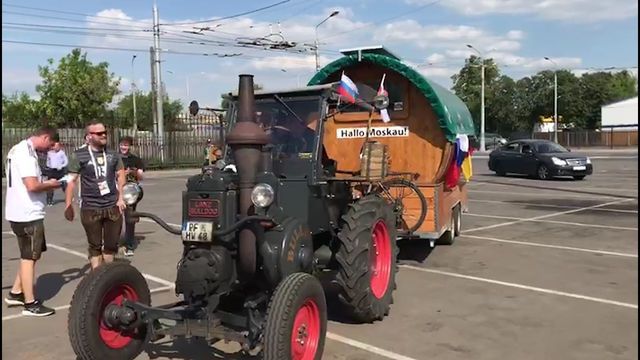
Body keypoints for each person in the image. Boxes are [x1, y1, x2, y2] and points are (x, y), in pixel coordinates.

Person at [4, 126, 63, 317]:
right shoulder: (26, 153)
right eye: (50, 144)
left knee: (32, 254)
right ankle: (30, 303)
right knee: (28, 257)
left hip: (23, 211)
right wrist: (52, 185)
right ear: (45, 137)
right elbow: (32, 185)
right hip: (26, 213)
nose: (49, 148)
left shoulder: (19, 149)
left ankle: (15, 292)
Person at [64, 122, 126, 270]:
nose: (103, 135)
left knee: (111, 244)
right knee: (95, 245)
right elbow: (71, 181)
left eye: (105, 132)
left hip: (112, 205)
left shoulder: (113, 155)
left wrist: (121, 197)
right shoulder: (79, 155)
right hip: (90, 207)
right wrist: (68, 205)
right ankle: (95, 277)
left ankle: (106, 274)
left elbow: (121, 174)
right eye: (99, 133)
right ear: (89, 136)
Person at [117, 136, 145, 256]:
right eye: (122, 144)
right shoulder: (114, 158)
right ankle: (114, 243)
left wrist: (133, 172)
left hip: (130, 193)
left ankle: (129, 244)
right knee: (114, 218)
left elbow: (140, 177)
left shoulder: (136, 160)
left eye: (126, 145)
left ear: (130, 146)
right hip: (116, 191)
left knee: (129, 219)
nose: (124, 147)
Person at [45, 136, 69, 206]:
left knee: (64, 184)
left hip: (60, 171)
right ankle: (49, 200)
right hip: (52, 171)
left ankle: (68, 197)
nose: (56, 147)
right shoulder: (49, 153)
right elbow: (48, 161)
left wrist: (61, 166)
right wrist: (49, 166)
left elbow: (66, 161)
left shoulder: (61, 153)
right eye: (55, 146)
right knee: (50, 186)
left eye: (58, 146)